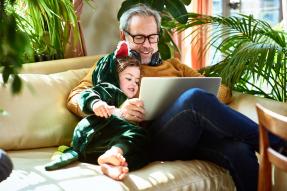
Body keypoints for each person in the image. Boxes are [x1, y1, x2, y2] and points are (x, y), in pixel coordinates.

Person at [66, 4, 284, 191]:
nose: (147, 44)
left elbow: (223, 93)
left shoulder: (174, 65)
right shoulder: (112, 65)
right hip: (147, 141)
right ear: (124, 36)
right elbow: (76, 96)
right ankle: (278, 145)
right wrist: (117, 109)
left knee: (239, 150)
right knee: (194, 99)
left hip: (190, 136)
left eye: (152, 37)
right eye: (139, 37)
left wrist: (179, 96)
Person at [45, 41, 148, 180]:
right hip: (92, 132)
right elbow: (86, 95)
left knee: (143, 153)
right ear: (113, 76)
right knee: (137, 134)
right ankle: (114, 152)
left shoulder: (131, 101)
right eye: (129, 78)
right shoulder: (110, 88)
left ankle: (112, 165)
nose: (133, 84)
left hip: (98, 148)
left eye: (136, 81)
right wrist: (96, 103)